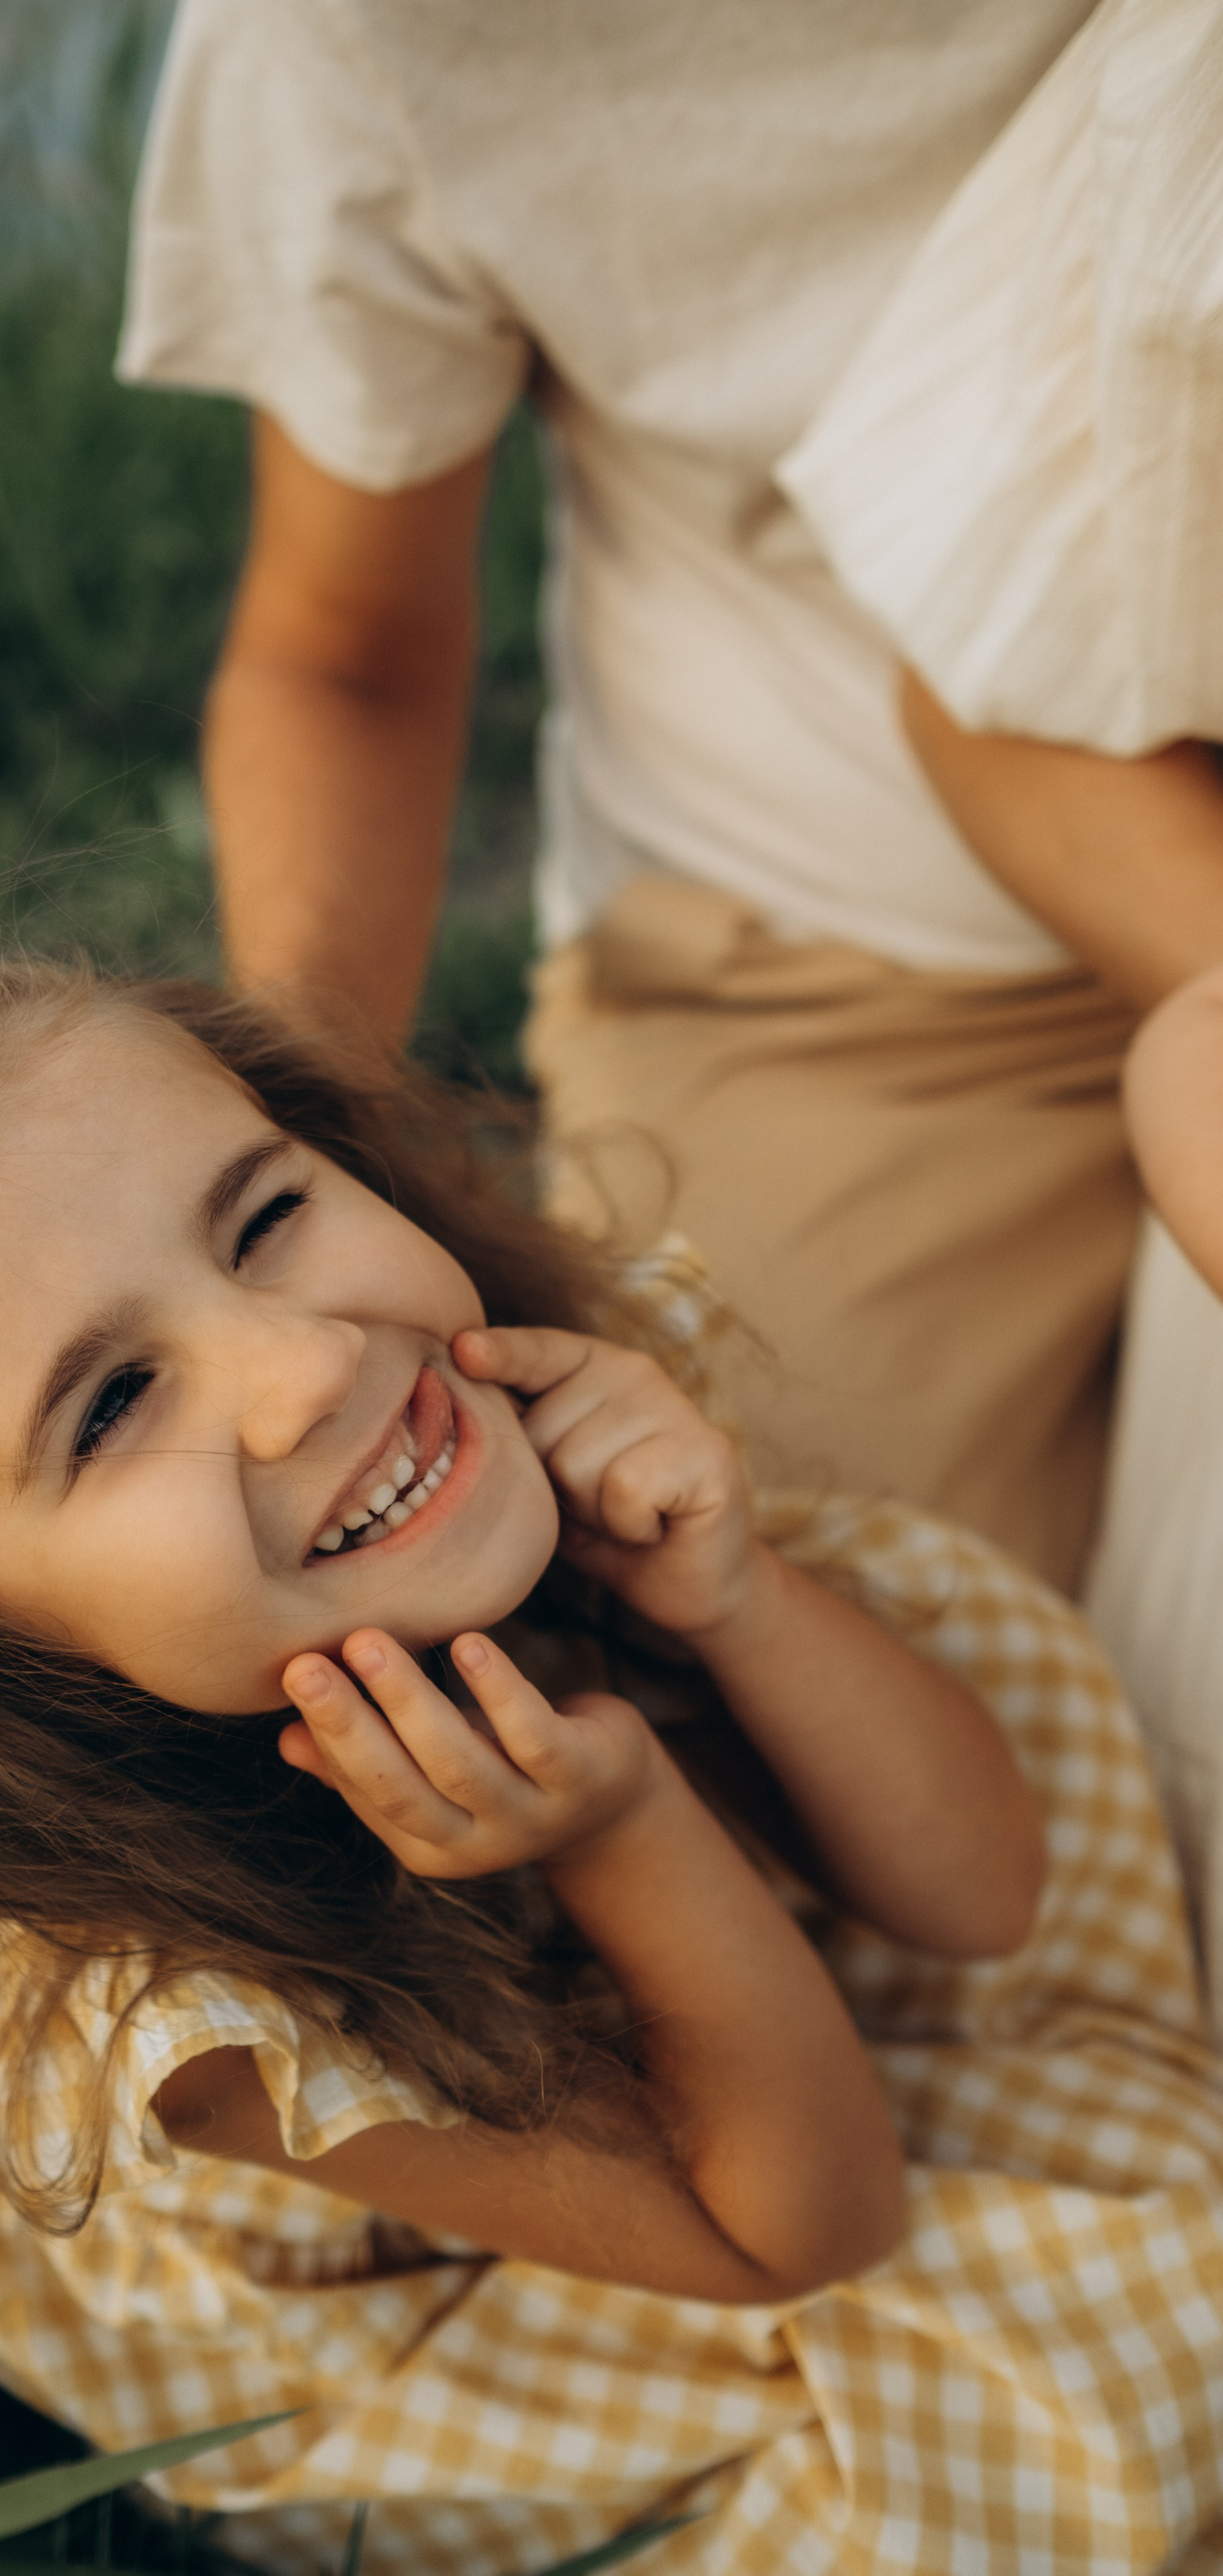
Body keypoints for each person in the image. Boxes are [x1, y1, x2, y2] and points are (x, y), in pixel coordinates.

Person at [0, 927, 1223, 2574]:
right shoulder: (169, 2022)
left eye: (262, 1217)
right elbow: (805, 2233)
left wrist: (736, 1603)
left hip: (761, 2093)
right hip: (583, 2325)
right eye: (111, 1405)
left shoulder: (511, 1454)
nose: (306, 1364)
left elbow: (988, 1893)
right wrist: (622, 1822)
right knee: (1112, 2379)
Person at [116, 0, 1223, 1595]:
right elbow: (343, 653)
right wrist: (304, 1156)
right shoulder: (348, 35)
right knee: (810, 1673)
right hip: (811, 959)